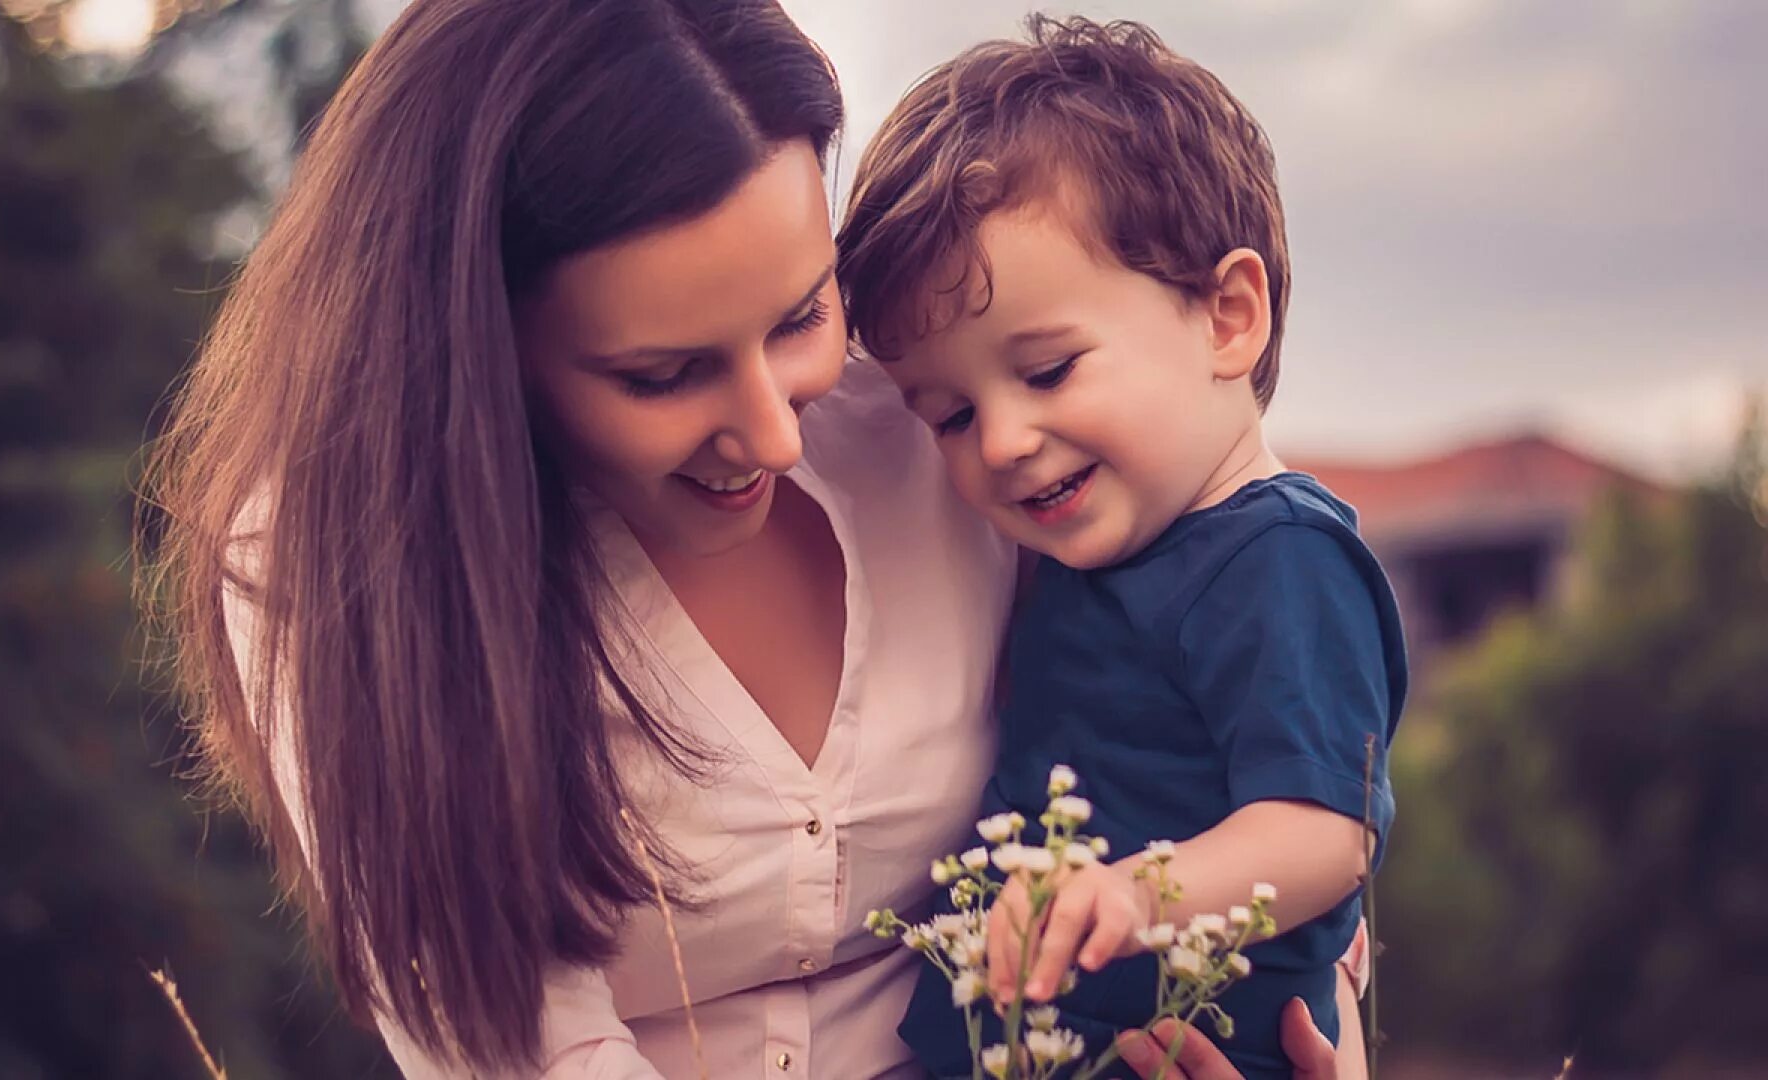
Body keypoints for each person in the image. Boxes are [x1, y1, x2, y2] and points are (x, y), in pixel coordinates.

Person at [142, 0, 1369, 1075]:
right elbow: (521, 1046)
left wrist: (1320, 1030)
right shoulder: (334, 573)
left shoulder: (947, 415)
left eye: (802, 317)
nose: (779, 434)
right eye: (663, 372)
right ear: (479, 354)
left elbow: (1252, 749)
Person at [836, 17, 1405, 1079]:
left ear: (1228, 318)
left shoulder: (1280, 560)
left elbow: (1327, 830)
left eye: (1048, 371)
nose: (1002, 441)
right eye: (950, 415)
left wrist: (1138, 893)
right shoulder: (1094, 552)